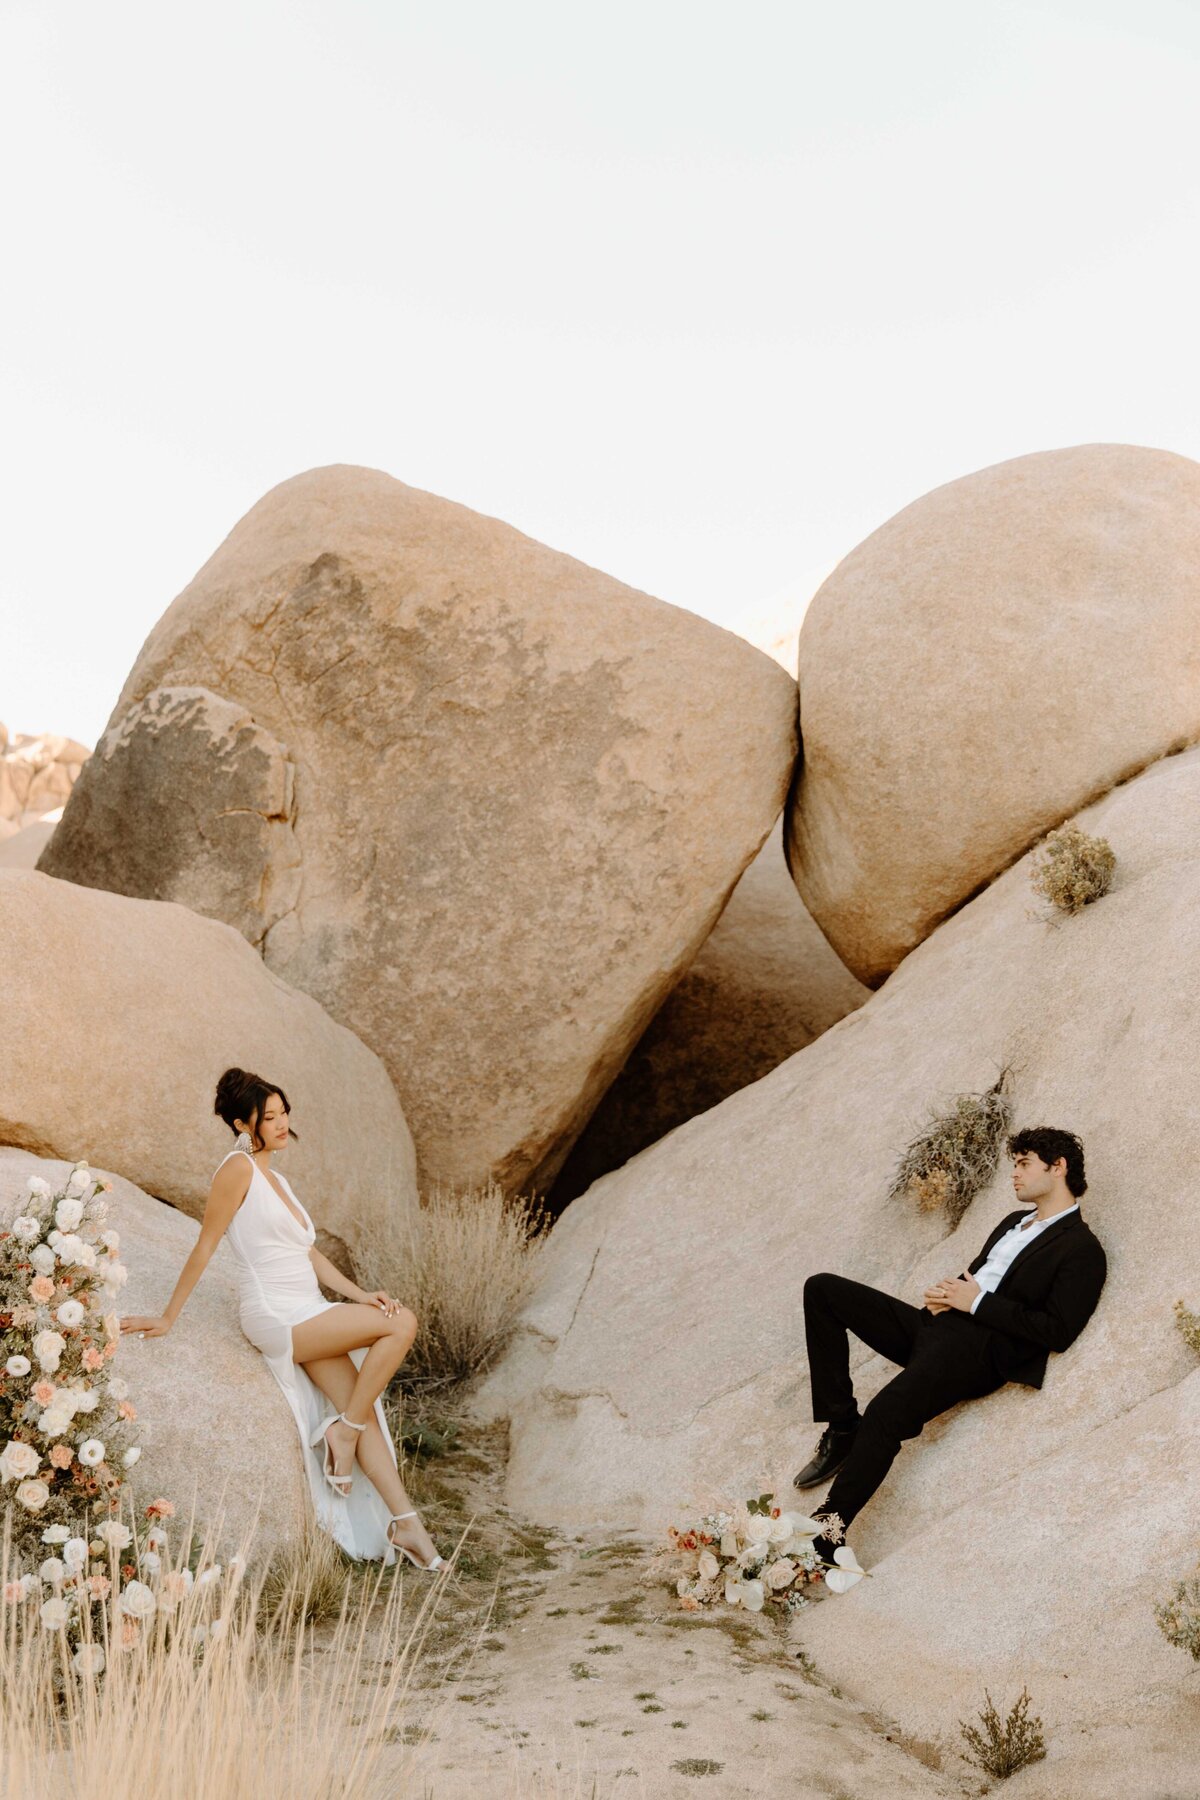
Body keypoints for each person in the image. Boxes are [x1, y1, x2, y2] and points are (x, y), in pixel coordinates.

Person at [120, 1067, 446, 1572]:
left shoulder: (278, 1177)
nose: (281, 1122)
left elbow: (307, 1253)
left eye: (283, 1112)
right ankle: (345, 1433)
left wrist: (360, 1294)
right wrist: (167, 1317)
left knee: (361, 1400)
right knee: (401, 1324)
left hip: (310, 1307)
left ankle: (406, 1523)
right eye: (268, 1116)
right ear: (240, 1124)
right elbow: (206, 1245)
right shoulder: (237, 1170)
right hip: (274, 1313)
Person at [792, 1126, 1106, 1558]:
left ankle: (827, 1532)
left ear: (1058, 1167)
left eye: (1023, 1163)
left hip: (976, 1353)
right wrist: (949, 1295)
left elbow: (1058, 1330)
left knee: (886, 1411)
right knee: (823, 1288)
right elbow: (983, 1276)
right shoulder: (1012, 1223)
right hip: (937, 1328)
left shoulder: (1082, 1248)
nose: (1013, 1173)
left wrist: (976, 1303)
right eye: (1013, 1164)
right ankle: (843, 1426)